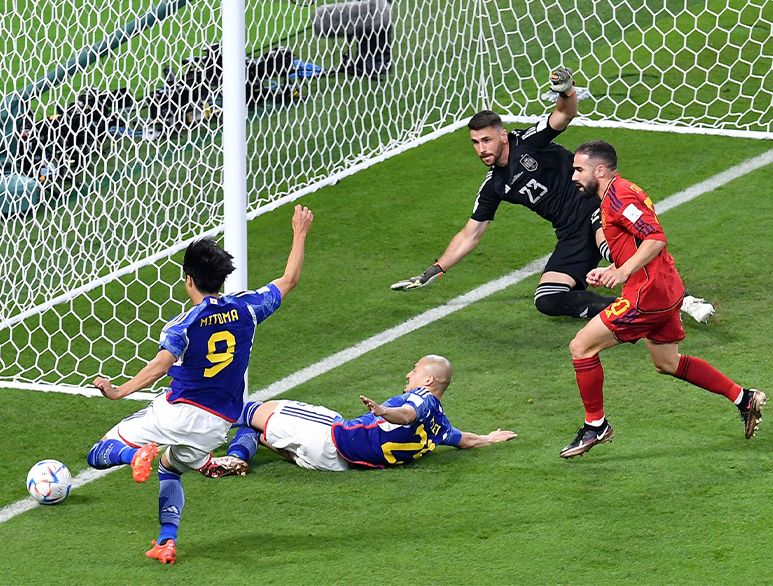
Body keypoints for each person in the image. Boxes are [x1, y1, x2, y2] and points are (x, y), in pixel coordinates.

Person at [390, 68, 715, 324]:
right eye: (475, 143)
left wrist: (566, 91)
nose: (481, 149)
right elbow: (470, 235)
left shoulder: (528, 142)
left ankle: (685, 300)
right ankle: (629, 307)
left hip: (594, 209)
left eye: (486, 140)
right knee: (548, 298)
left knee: (615, 253)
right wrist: (434, 271)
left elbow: (564, 115)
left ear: (502, 135)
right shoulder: (494, 185)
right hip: (569, 233)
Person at [85, 205, 314, 565]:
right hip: (217, 425)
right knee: (170, 468)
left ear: (189, 280)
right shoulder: (248, 308)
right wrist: (299, 232)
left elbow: (161, 365)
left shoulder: (183, 324)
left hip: (177, 412)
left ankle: (133, 456)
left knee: (99, 453)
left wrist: (119, 391)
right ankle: (166, 541)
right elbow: (289, 280)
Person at [558, 140, 766, 458]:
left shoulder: (619, 197)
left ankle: (595, 425)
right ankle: (744, 398)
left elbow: (655, 238)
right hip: (666, 289)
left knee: (581, 347)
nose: (573, 176)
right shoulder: (620, 192)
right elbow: (638, 242)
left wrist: (623, 272)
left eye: (578, 169)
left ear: (599, 170)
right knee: (667, 362)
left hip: (647, 296)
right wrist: (612, 269)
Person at [197, 354, 516, 477]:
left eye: (415, 370)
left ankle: (184, 419)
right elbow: (464, 440)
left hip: (330, 437)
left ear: (429, 380)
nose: (409, 374)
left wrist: (383, 411)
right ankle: (236, 457)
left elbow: (407, 415)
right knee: (261, 433)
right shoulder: (440, 426)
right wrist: (490, 438)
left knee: (252, 410)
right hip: (336, 464)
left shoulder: (421, 399)